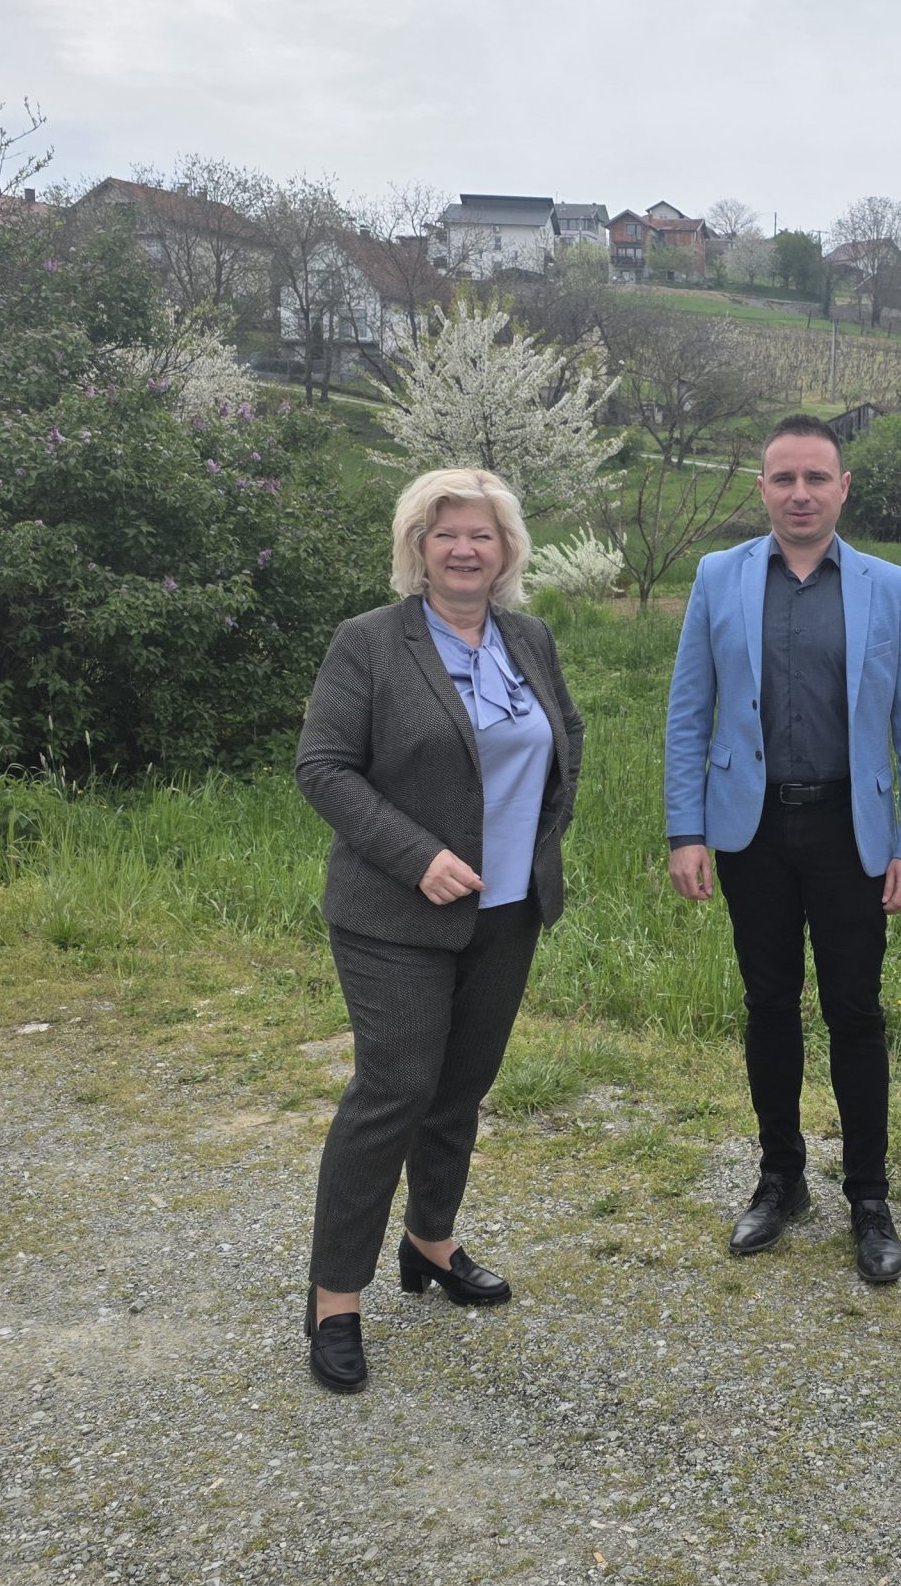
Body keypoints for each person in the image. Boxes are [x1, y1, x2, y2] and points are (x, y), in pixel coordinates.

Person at [293, 468, 584, 1392]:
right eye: (445, 533)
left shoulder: (529, 639)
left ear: (507, 551)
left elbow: (565, 739)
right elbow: (324, 767)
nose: (464, 549)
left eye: (481, 535)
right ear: (416, 547)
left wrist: (539, 846)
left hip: (507, 911)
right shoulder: (370, 643)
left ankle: (430, 1241)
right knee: (395, 1091)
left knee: (459, 1088)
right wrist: (417, 855)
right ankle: (335, 1299)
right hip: (395, 914)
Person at [664, 414, 901, 1283]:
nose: (800, 494)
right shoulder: (718, 576)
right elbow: (688, 710)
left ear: (843, 487)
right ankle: (780, 1178)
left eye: (816, 477)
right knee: (769, 1003)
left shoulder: (891, 588)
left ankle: (869, 1197)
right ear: (762, 488)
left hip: (851, 832)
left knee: (856, 1010)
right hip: (750, 830)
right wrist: (685, 829)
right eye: (783, 478)